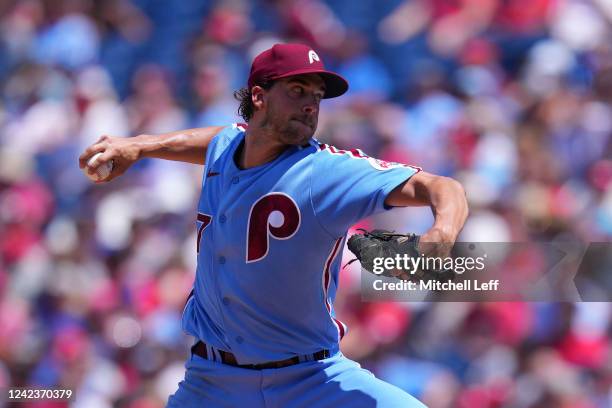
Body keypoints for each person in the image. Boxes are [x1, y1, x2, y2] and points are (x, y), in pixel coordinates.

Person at [79, 43, 468, 407]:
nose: (311, 105)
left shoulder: (327, 171)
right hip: (212, 382)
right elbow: (219, 139)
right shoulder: (226, 148)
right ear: (259, 97)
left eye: (317, 96)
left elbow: (440, 186)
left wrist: (442, 234)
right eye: (298, 91)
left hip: (311, 379)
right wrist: (139, 145)